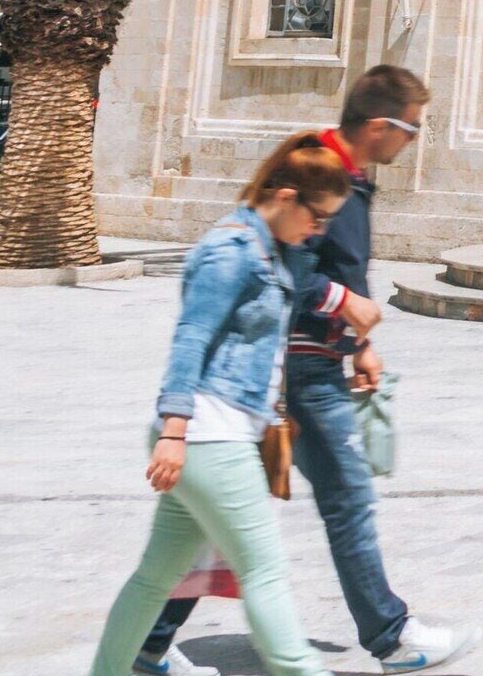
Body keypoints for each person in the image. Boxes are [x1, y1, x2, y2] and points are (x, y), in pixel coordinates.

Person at [125, 67, 474, 676]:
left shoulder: (349, 179)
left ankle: (146, 643)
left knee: (212, 521)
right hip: (294, 370)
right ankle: (392, 639)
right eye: (411, 129)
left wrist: (359, 342)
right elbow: (284, 267)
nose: (415, 141)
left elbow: (342, 265)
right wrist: (344, 307)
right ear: (378, 126)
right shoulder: (315, 175)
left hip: (305, 365)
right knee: (344, 501)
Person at [86, 134, 364, 676]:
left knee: (154, 578)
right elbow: (190, 340)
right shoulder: (229, 251)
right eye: (317, 216)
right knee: (264, 570)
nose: (319, 230)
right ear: (286, 196)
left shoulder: (269, 248)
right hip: (208, 435)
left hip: (216, 434)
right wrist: (173, 430)